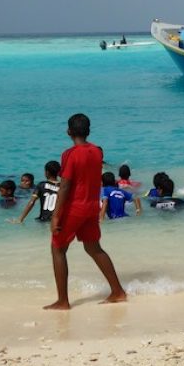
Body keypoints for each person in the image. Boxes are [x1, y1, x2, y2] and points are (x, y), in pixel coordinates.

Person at [45, 113, 127, 310]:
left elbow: (64, 186)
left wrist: (56, 215)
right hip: (92, 207)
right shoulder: (97, 152)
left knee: (58, 249)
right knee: (93, 248)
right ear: (88, 131)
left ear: (69, 132)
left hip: (74, 208)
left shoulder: (70, 154)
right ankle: (117, 291)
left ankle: (63, 301)